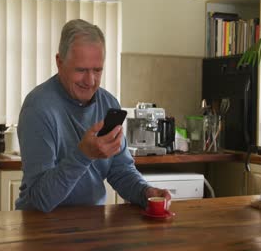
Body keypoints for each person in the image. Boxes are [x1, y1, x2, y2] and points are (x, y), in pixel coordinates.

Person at [15, 19, 171, 212]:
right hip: (40, 226)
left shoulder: (108, 104)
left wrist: (145, 192)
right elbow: (39, 200)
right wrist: (84, 155)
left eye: (97, 70)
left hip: (91, 223)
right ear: (59, 62)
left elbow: (120, 170)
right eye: (81, 70)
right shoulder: (38, 108)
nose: (90, 81)